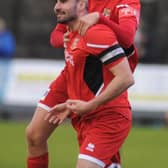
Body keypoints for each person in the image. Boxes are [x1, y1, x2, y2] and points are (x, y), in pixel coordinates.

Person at [26, 0, 134, 167]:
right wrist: (65, 38)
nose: (56, 7)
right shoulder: (72, 17)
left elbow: (127, 39)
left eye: (62, 2)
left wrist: (99, 18)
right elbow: (55, 37)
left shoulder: (122, 6)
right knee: (34, 135)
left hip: (104, 97)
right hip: (74, 75)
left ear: (82, 5)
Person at [0, 17, 15, 103]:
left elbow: (9, 50)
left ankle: (1, 105)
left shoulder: (7, 36)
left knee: (2, 84)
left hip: (4, 63)